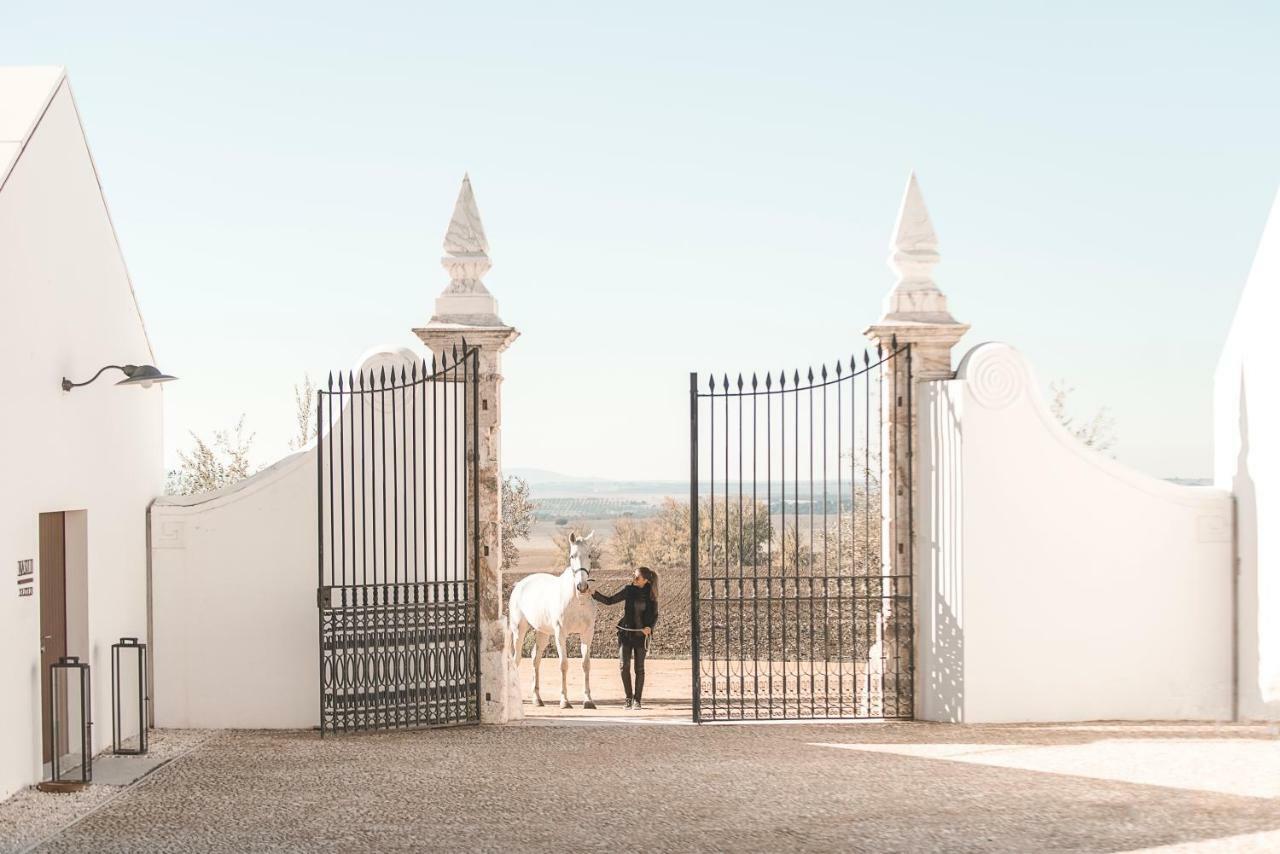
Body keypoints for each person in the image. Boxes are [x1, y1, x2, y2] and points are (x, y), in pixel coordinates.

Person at [591, 567, 659, 709]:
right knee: (624, 666)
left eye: (637, 577)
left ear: (645, 580)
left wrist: (650, 627)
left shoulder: (651, 594)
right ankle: (628, 698)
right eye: (633, 576)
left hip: (641, 636)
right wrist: (594, 593)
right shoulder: (628, 590)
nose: (634, 579)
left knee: (639, 669)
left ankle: (637, 700)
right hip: (626, 634)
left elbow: (655, 615)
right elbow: (609, 601)